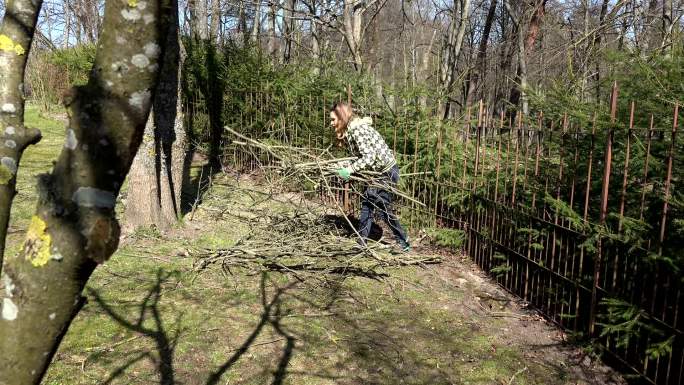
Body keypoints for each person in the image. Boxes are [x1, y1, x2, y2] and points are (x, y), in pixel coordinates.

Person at [329, 102, 410, 252]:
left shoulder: (357, 130)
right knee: (374, 206)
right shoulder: (352, 130)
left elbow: (369, 157)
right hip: (378, 173)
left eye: (333, 119)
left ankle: (400, 241)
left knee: (374, 203)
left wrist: (350, 170)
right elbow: (359, 156)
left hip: (386, 172)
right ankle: (365, 242)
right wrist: (341, 166)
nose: (331, 123)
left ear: (342, 118)